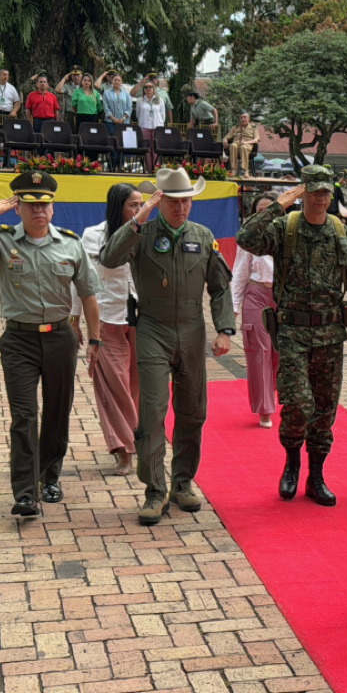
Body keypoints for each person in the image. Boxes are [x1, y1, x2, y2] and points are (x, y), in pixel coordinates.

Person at [0, 172, 103, 517]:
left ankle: (49, 477)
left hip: (60, 337)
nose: (39, 210)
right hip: (19, 339)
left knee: (56, 411)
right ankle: (24, 492)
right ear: (17, 208)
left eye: (44, 204)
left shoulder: (70, 243)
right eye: (31, 204)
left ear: (53, 209)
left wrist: (95, 339)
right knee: (24, 416)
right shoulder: (2, 239)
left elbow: (89, 295)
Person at [235, 166, 347, 506]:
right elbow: (246, 238)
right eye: (314, 192)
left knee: (325, 410)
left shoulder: (342, 232)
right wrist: (278, 205)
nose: (321, 198)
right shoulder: (286, 228)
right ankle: (292, 463)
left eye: (326, 193)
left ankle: (316, 476)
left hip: (330, 334)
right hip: (293, 333)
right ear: (304, 194)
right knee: (298, 404)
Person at [99, 168, 236, 525]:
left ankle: (183, 483)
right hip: (152, 329)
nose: (181, 208)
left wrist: (224, 330)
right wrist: (136, 221)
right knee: (153, 411)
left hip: (192, 330)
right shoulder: (142, 235)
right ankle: (154, 491)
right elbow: (109, 258)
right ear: (161, 202)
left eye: (187, 200)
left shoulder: (203, 237)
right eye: (174, 201)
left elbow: (220, 287)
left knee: (192, 411)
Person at [73, 184, 141, 476]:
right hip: (106, 319)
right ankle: (125, 448)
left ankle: (135, 438)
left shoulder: (146, 232)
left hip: (141, 318)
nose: (140, 210)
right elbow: (82, 279)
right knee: (114, 387)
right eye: (133, 205)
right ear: (117, 207)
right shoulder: (93, 235)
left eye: (141, 204)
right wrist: (75, 318)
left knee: (138, 385)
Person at [231, 193, 279, 428]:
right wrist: (232, 309)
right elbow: (240, 272)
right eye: (260, 210)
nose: (265, 214)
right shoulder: (248, 238)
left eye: (270, 209)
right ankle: (264, 409)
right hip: (256, 296)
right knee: (260, 352)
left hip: (283, 298)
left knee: (280, 353)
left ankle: (277, 394)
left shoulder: (288, 233)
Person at [97, 71, 133, 171]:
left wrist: (123, 118)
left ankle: (121, 165)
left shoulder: (126, 94)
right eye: (115, 80)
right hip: (110, 122)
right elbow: (106, 107)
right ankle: (112, 164)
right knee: (112, 142)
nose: (117, 82)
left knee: (122, 142)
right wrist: (113, 119)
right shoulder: (107, 93)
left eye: (119, 80)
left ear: (122, 82)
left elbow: (129, 108)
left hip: (123, 122)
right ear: (112, 81)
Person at [134, 78, 170, 170]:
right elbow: (138, 114)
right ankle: (149, 168)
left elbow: (163, 114)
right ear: (143, 89)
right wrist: (143, 121)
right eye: (146, 87)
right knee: (147, 149)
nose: (148, 89)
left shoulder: (160, 100)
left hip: (157, 127)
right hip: (144, 127)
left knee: (155, 149)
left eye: (150, 87)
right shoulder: (140, 100)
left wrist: (159, 123)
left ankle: (156, 168)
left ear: (153, 88)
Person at [224, 113, 260, 177]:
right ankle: (233, 170)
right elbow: (227, 137)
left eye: (245, 117)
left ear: (249, 119)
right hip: (237, 143)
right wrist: (225, 140)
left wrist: (247, 143)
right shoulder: (235, 127)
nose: (243, 119)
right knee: (232, 145)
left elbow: (256, 139)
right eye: (241, 117)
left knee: (243, 147)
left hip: (248, 144)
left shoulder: (253, 127)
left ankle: (246, 171)